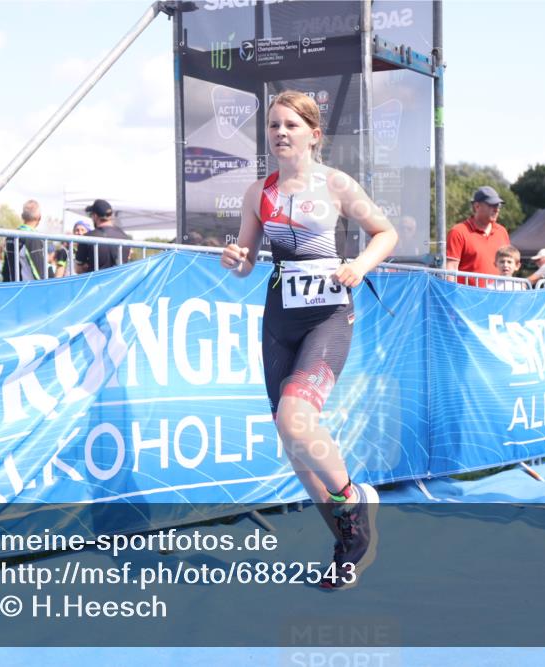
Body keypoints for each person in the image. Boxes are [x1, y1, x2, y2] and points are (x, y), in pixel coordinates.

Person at [219, 91, 397, 590]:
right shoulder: (260, 192)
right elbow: (247, 260)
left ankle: (351, 500)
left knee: (295, 420)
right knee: (293, 443)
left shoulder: (337, 184)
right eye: (273, 125)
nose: (279, 133)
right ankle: (348, 541)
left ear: (314, 135)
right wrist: (237, 261)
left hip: (329, 316)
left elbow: (384, 233)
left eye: (291, 125)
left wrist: (360, 265)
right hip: (281, 318)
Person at [445, 185, 510, 286]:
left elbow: (508, 264)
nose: (496, 209)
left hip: (497, 298)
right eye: (492, 205)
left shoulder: (502, 232)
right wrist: (452, 298)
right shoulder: (458, 231)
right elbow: (451, 269)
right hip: (468, 299)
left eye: (498, 206)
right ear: (477, 206)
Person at [74, 199, 131, 273]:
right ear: (111, 215)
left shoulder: (87, 238)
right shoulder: (125, 237)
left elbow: (78, 269)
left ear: (95, 216)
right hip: (119, 283)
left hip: (95, 283)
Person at [3, 199, 47, 281]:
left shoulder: (10, 236)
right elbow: (39, 272)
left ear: (22, 216)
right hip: (29, 289)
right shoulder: (33, 238)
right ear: (39, 217)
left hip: (13, 288)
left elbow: (6, 268)